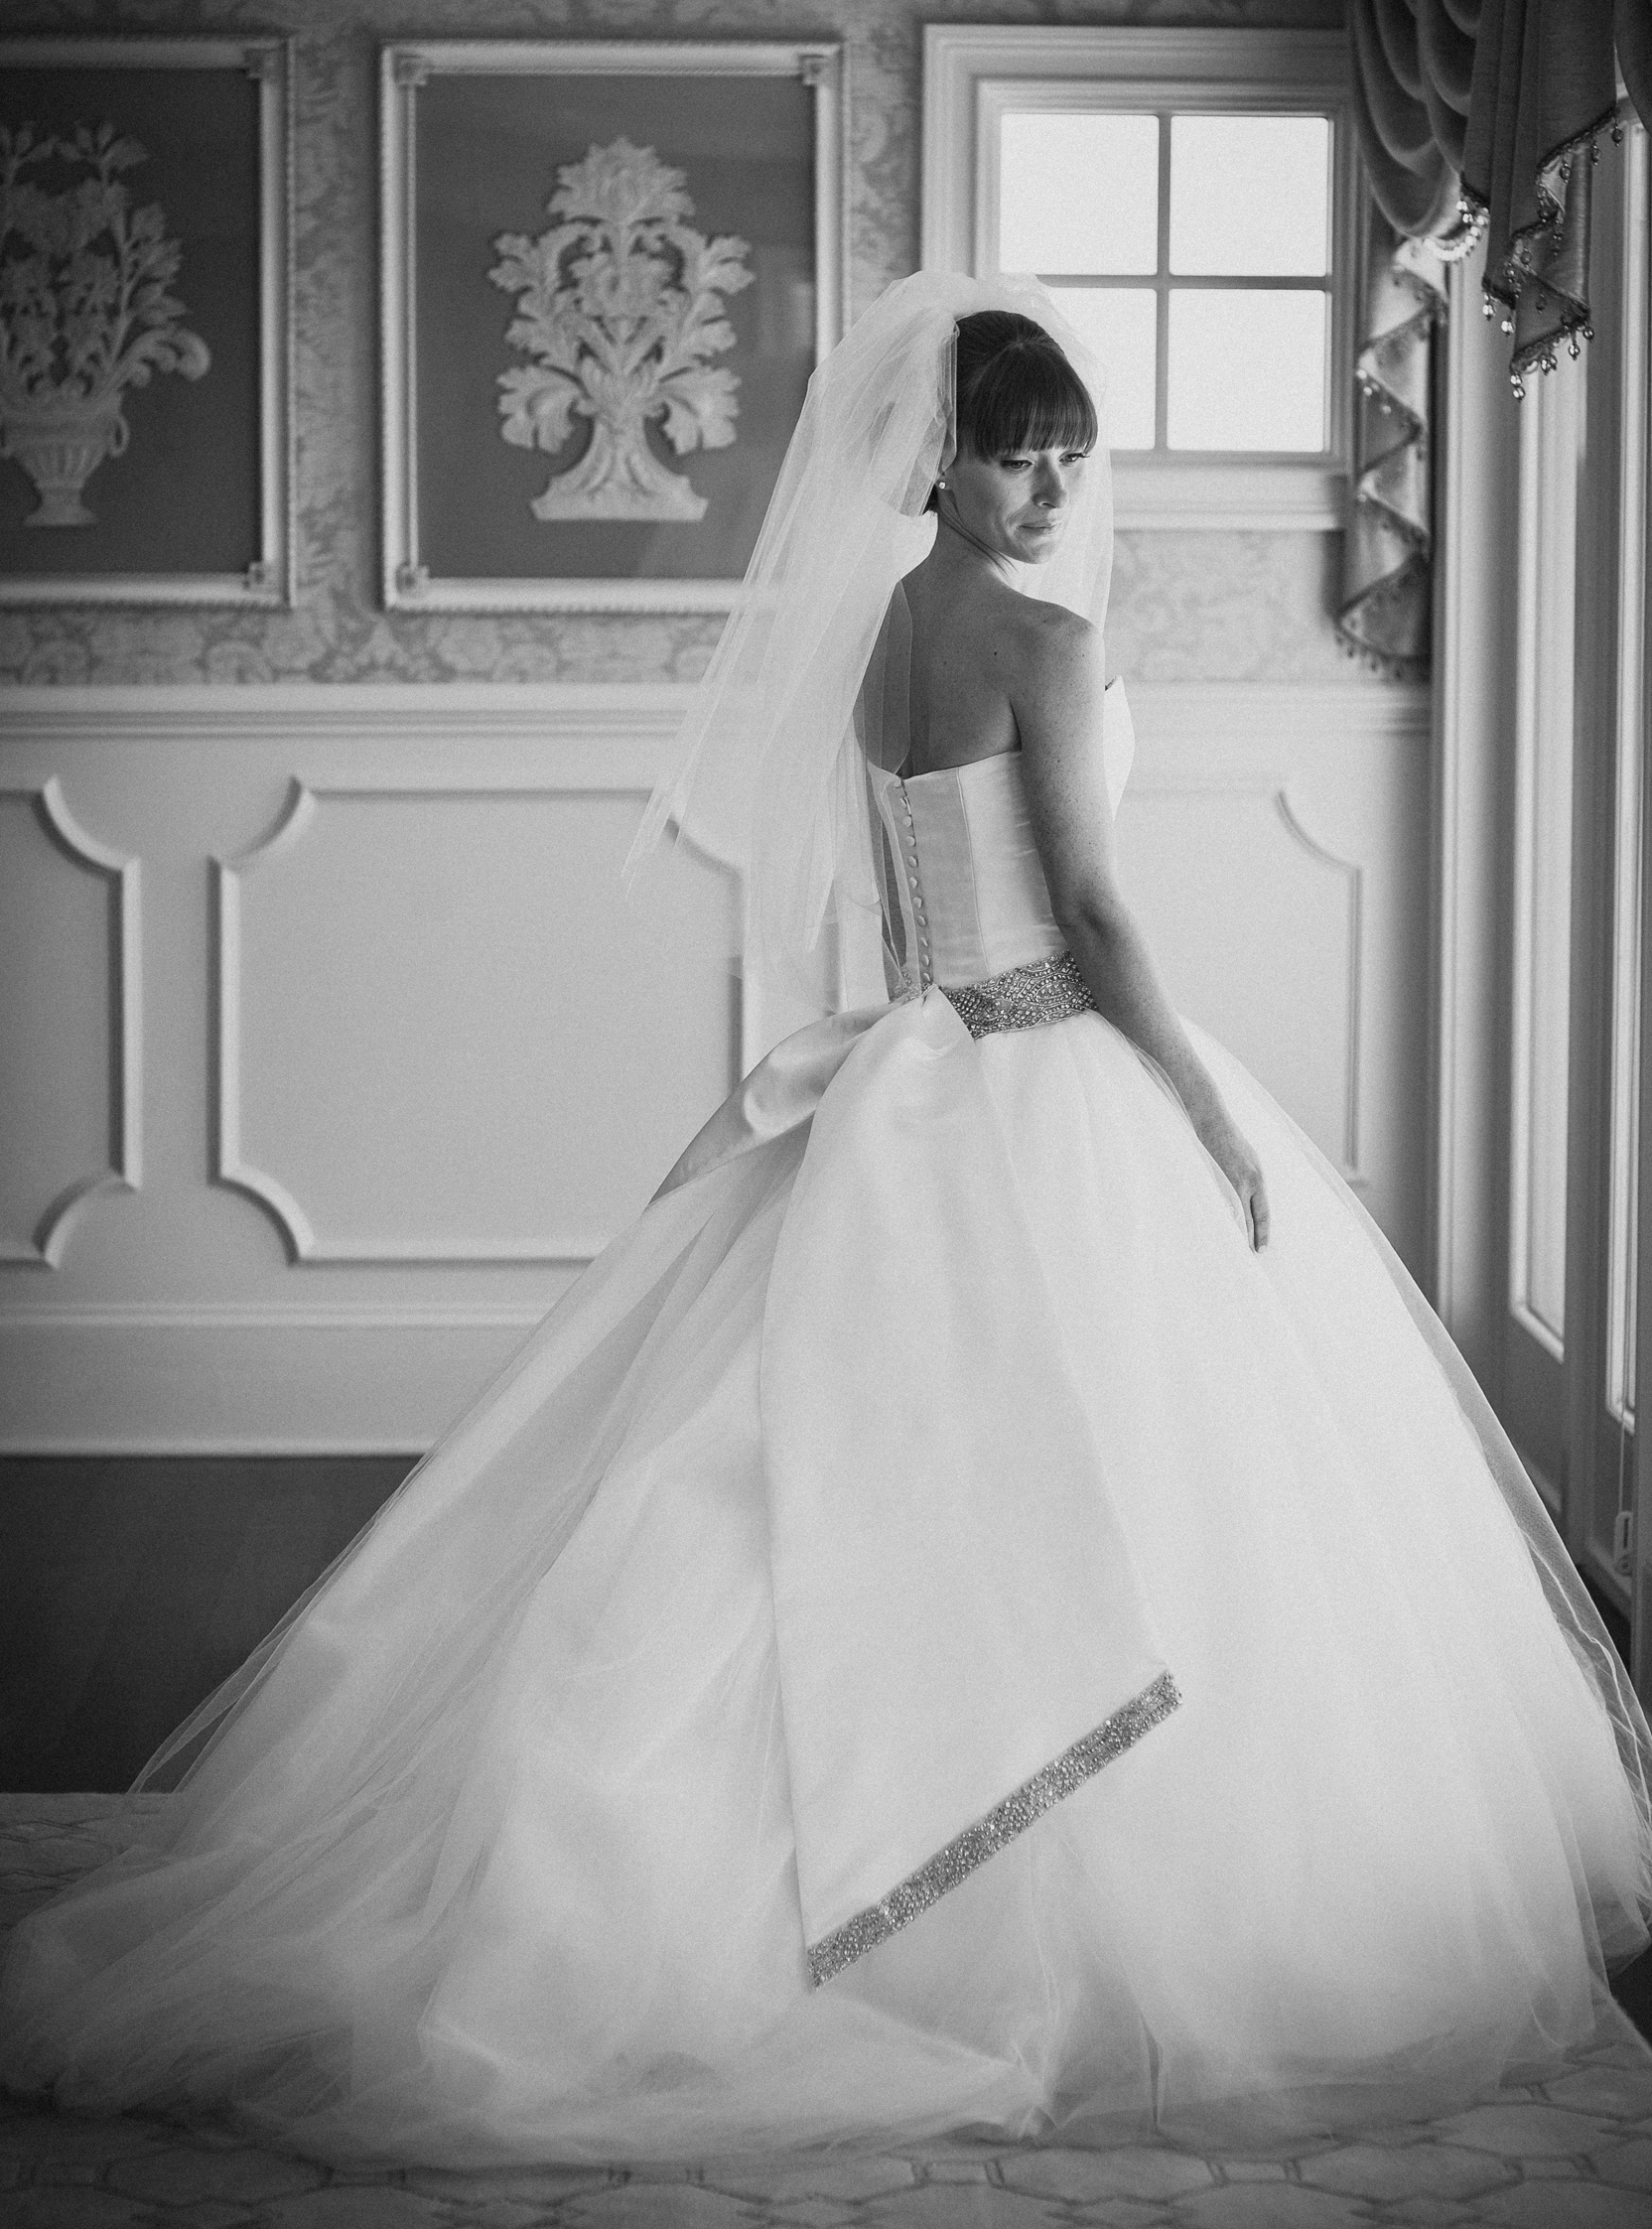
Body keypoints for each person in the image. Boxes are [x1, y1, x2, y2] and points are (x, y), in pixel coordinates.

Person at [2, 272, 1649, 2166]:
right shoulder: (1042, 640)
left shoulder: (889, 630)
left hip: (916, 1070)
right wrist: (1206, 1108)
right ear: (934, 462)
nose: (1047, 489)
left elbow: (918, 899)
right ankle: (1051, 1912)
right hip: (1044, 1070)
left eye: (1067, 455)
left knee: (859, 1461)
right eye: (1011, 457)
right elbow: (1095, 915)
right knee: (1097, 1478)